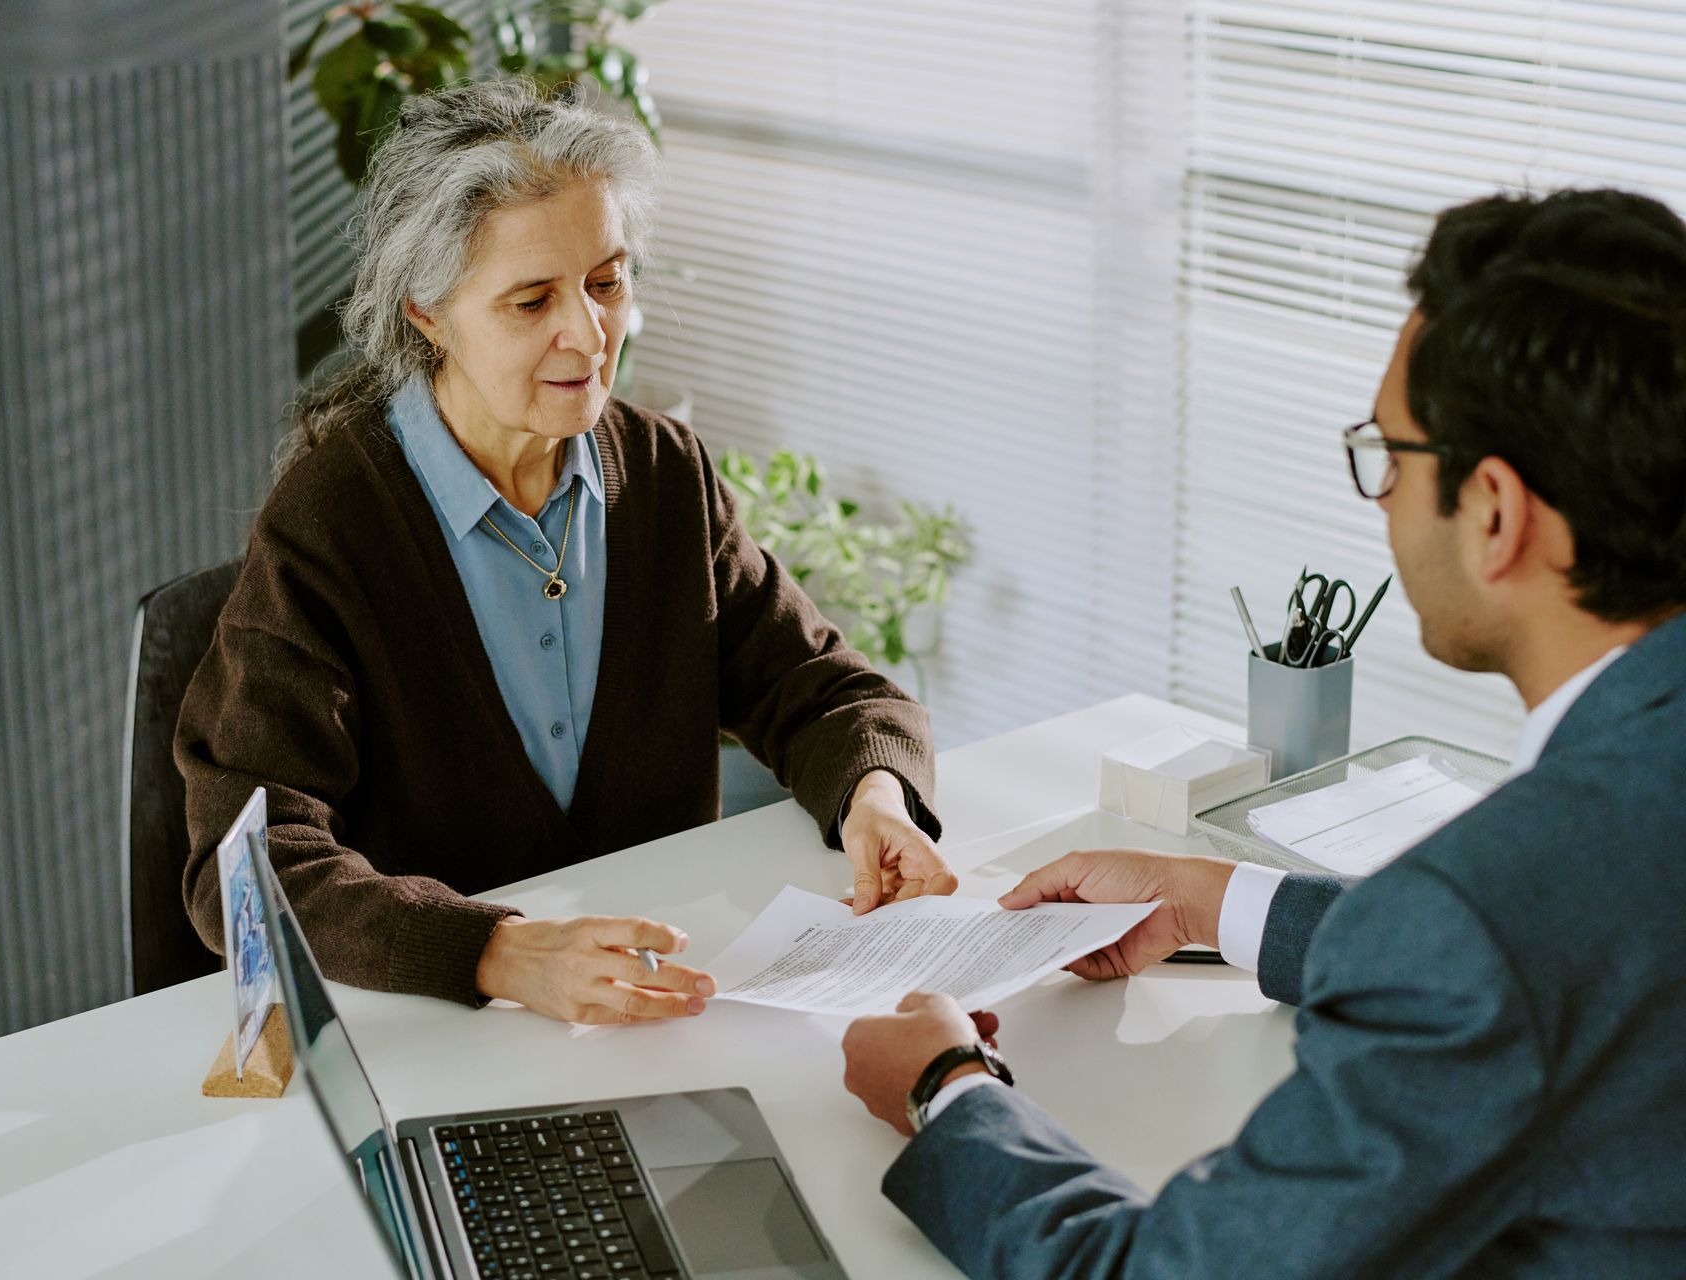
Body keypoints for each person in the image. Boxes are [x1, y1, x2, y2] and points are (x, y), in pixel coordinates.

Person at [839, 187, 1686, 1275]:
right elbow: (1577, 951)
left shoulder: (1495, 913)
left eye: (1390, 454)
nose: (1378, 499)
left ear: (1492, 510)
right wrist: (1212, 897)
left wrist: (945, 1088)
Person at [177, 79, 956, 1027]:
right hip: (437, 1040)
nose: (589, 336)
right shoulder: (330, 524)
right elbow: (247, 872)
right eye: (531, 300)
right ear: (427, 312)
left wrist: (874, 794)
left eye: (607, 281)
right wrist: (495, 952)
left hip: (659, 1012)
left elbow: (827, 692)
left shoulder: (665, 474)